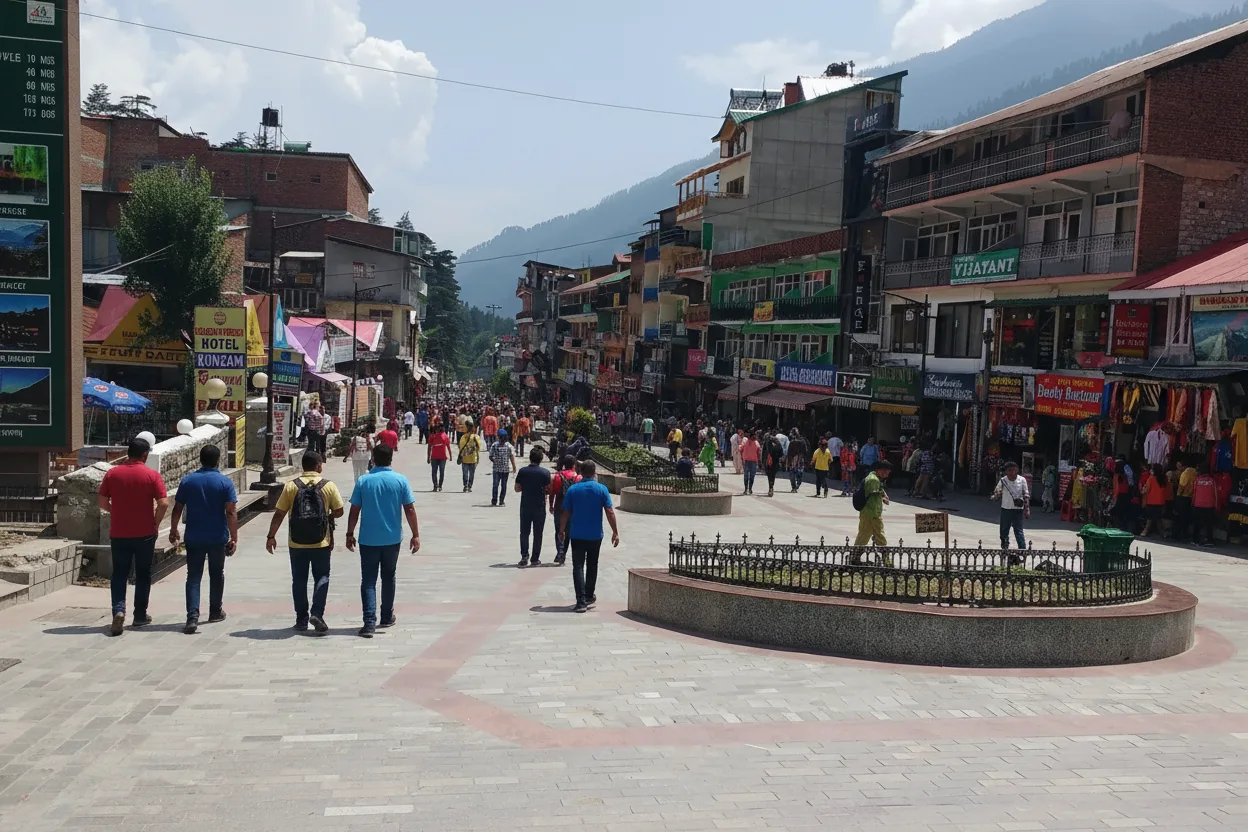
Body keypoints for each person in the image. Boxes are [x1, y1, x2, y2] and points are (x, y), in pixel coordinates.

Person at [345, 443, 420, 638]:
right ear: (391, 459)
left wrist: (349, 533)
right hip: (392, 539)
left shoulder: (363, 481)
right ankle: (386, 616)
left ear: (373, 459)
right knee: (389, 577)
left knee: (368, 580)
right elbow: (410, 509)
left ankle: (369, 622)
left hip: (368, 539)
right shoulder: (400, 480)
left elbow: (354, 510)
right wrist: (415, 534)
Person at [266, 451, 345, 633]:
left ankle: (301, 619)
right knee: (322, 577)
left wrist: (271, 536)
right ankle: (317, 613)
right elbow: (339, 511)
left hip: (297, 543)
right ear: (319, 466)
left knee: (299, 580)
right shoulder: (328, 485)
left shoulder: (291, 486)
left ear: (303, 466)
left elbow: (279, 513)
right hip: (321, 542)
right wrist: (327, 515)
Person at [99, 437, 169, 637]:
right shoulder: (151, 475)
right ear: (145, 455)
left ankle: (118, 610)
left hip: (119, 533)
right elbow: (163, 503)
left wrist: (116, 512)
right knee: (143, 574)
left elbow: (102, 502)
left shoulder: (112, 474)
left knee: (119, 573)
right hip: (145, 533)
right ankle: (139, 615)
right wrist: (155, 522)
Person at [168, 444, 238, 634]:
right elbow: (231, 511)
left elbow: (177, 508)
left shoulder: (188, 481)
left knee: (193, 576)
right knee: (216, 573)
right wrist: (234, 537)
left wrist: (174, 529)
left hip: (194, 537)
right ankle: (215, 611)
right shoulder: (225, 482)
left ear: (200, 459)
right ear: (218, 460)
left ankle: (192, 617)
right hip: (217, 537)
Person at [559, 460, 620, 613]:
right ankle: (588, 595)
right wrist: (615, 531)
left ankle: (581, 602)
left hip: (577, 534)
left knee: (578, 566)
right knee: (592, 565)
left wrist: (561, 530)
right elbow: (609, 511)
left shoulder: (573, 489)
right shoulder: (601, 489)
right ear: (594, 473)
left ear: (581, 472)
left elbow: (565, 512)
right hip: (595, 535)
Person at [514, 447, 552, 567]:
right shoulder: (545, 473)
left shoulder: (523, 471)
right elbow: (549, 490)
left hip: (525, 505)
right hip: (539, 506)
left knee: (524, 532)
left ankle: (524, 556)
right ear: (541, 459)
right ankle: (535, 558)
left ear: (530, 458)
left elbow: (517, 488)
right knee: (538, 533)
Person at [548, 454, 582, 566]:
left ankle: (560, 551)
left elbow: (552, 493)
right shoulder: (578, 478)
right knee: (568, 532)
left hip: (559, 507)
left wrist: (551, 505)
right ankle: (563, 552)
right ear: (574, 465)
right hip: (572, 509)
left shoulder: (557, 476)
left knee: (558, 530)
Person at [992, 460, 1030, 556]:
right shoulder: (1003, 481)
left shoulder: (1022, 480)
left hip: (1018, 510)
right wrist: (995, 496)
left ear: (1017, 470)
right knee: (1004, 531)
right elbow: (997, 493)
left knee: (1019, 531)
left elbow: (1026, 495)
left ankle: (1022, 551)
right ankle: (1005, 549)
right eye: (1009, 470)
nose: (1012, 472)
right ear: (1006, 471)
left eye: (1013, 470)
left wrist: (1027, 509)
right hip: (1006, 509)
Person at [853, 459, 891, 552]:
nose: (887, 474)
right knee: (879, 536)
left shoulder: (873, 477)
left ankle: (854, 556)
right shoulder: (873, 480)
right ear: (880, 470)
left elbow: (877, 490)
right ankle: (886, 558)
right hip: (872, 514)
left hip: (868, 513)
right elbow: (873, 493)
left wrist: (883, 494)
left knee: (863, 536)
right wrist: (882, 497)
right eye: (886, 472)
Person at [1140, 463, 1171, 538]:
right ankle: (1163, 533)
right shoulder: (1164, 479)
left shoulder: (1151, 478)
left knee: (1149, 518)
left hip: (1151, 501)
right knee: (1159, 519)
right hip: (1161, 502)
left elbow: (1146, 490)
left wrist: (1142, 490)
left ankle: (1145, 531)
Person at [1192, 464, 1220, 546]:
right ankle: (1209, 540)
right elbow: (1216, 494)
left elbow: (1194, 493)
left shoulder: (1197, 480)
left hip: (1197, 505)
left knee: (1197, 523)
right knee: (1209, 524)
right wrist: (1216, 506)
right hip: (1209, 506)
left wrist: (1192, 503)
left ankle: (1195, 539)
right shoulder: (1212, 481)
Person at [489, 428, 518, 507]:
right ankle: (494, 500)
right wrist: (494, 460)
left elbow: (511, 457)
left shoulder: (509, 446)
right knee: (495, 485)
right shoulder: (494, 445)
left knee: (503, 486)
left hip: (505, 470)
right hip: (496, 469)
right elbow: (490, 456)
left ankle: (501, 501)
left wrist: (514, 467)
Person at [457, 420, 484, 492]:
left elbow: (460, 447)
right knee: (472, 474)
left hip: (464, 459)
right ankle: (469, 486)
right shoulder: (476, 437)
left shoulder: (463, 437)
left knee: (465, 474)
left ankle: (465, 486)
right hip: (473, 459)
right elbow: (478, 448)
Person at [427, 422, 453, 492]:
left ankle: (439, 485)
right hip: (436, 457)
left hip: (441, 457)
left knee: (440, 472)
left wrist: (450, 455)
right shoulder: (433, 436)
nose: (437, 429)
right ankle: (436, 486)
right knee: (436, 472)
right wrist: (428, 457)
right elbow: (429, 447)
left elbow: (448, 446)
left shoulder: (444, 436)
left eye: (439, 427)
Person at [1174, 460, 1196, 541]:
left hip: (1183, 497)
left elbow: (1181, 486)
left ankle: (1177, 534)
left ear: (1184, 466)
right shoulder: (1195, 472)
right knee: (1187, 517)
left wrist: (1178, 496)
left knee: (1180, 516)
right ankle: (1185, 533)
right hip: (1191, 497)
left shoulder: (1185, 473)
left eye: (1180, 466)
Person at [763, 432, 785, 497]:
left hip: (770, 461)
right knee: (772, 475)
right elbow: (781, 452)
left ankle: (771, 487)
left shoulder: (768, 442)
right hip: (774, 461)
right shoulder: (777, 442)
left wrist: (762, 461)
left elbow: (764, 453)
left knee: (770, 475)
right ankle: (771, 487)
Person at [740, 430, 762, 495]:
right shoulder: (755, 443)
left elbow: (740, 449)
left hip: (749, 461)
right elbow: (759, 452)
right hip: (751, 461)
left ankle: (748, 489)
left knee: (748, 475)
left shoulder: (746, 441)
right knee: (750, 476)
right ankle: (748, 489)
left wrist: (742, 455)